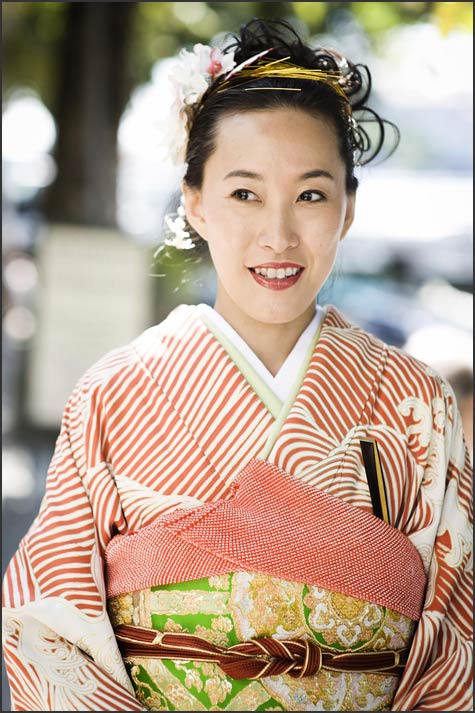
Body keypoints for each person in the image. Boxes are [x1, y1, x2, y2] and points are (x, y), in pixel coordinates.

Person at [2, 18, 472, 712]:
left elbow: (453, 631)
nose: (277, 233)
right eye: (243, 193)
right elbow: (53, 622)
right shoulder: (114, 392)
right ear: (193, 202)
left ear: (347, 208)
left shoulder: (412, 398)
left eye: (311, 194)